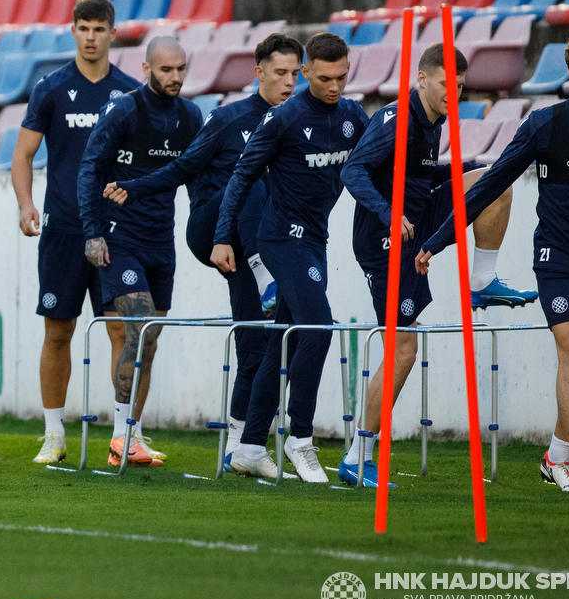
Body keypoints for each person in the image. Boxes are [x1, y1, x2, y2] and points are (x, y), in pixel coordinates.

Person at [420, 28, 569, 495]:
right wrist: (439, 239)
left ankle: (556, 455)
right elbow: (490, 184)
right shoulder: (543, 126)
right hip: (558, 257)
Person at [101, 32, 302, 470]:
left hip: (267, 241)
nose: (288, 82)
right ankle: (265, 275)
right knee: (246, 179)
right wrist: (132, 188)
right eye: (280, 72)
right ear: (260, 73)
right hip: (214, 231)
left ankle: (241, 448)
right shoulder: (228, 119)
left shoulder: (301, 125)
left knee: (258, 341)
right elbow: (182, 168)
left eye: (294, 74)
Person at [339, 44, 530, 487]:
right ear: (422, 79)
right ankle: (358, 454)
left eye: (461, 86)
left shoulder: (435, 118)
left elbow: (419, 178)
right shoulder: (395, 119)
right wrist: (387, 211)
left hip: (417, 217)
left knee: (493, 179)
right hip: (383, 239)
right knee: (404, 350)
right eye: (447, 84)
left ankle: (482, 281)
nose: (455, 93)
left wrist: (461, 177)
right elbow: (353, 171)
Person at [214, 31, 367, 483]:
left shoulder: (353, 115)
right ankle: (300, 439)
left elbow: (377, 160)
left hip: (313, 241)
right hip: (281, 240)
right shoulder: (284, 119)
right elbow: (241, 177)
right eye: (324, 78)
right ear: (305, 73)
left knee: (282, 340)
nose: (334, 86)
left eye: (342, 77)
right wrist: (224, 237)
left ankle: (248, 446)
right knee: (318, 329)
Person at [10, 0, 140, 465]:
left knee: (123, 331)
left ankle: (124, 433)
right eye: (83, 28)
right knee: (58, 331)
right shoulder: (51, 88)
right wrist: (26, 204)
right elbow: (22, 155)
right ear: (73, 31)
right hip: (63, 228)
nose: (90, 37)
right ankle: (53, 434)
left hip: (115, 230)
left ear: (112, 33)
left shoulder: (129, 92)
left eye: (98, 29)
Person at [76, 37, 202, 467]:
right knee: (140, 327)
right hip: (119, 238)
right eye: (167, 70)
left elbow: (195, 176)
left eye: (181, 69)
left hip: (160, 242)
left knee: (148, 341)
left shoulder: (190, 116)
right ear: (147, 69)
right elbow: (90, 168)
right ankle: (119, 436)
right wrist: (92, 232)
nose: (176, 77)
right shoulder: (124, 110)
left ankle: (129, 436)